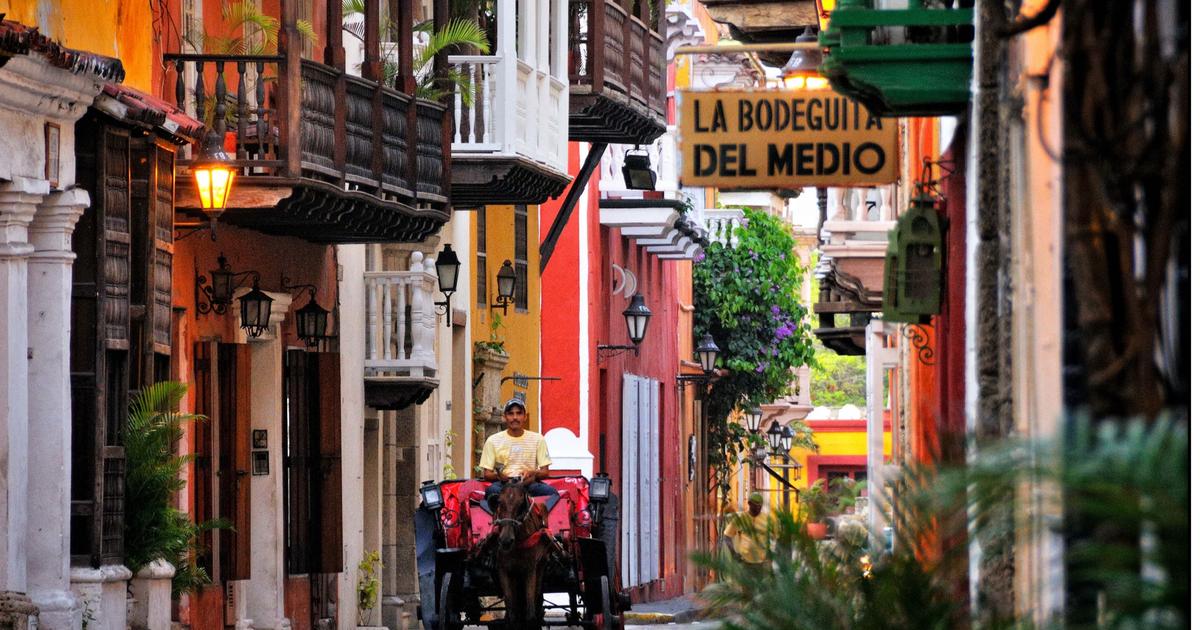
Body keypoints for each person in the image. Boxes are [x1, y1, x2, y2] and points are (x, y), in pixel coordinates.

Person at [479, 398, 557, 502]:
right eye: (510, 414)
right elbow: (487, 474)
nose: (515, 417)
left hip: (529, 484)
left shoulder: (538, 439)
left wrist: (531, 473)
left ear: (525, 417)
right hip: (504, 485)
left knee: (552, 494)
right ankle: (497, 518)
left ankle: (541, 518)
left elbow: (545, 472)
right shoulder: (492, 440)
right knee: (491, 491)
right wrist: (499, 476)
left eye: (519, 413)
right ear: (505, 417)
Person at [722, 493, 769, 566]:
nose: (758, 507)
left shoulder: (766, 519)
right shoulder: (741, 519)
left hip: (762, 562)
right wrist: (733, 553)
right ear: (749, 503)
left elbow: (776, 536)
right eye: (756, 505)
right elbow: (727, 536)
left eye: (760, 505)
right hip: (745, 562)